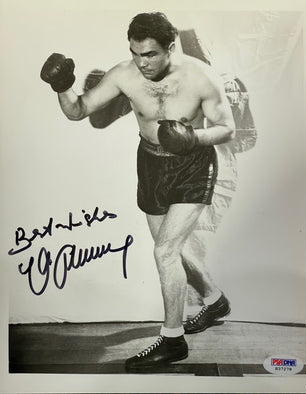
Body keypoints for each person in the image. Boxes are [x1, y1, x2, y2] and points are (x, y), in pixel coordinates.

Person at [40, 12, 235, 372]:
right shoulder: (124, 74)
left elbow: (227, 128)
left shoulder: (200, 76)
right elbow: (78, 110)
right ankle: (215, 300)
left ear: (170, 47)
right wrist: (62, 86)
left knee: (164, 251)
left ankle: (173, 340)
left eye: (150, 55)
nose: (142, 63)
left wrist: (193, 137)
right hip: (150, 164)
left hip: (193, 164)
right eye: (135, 53)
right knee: (170, 249)